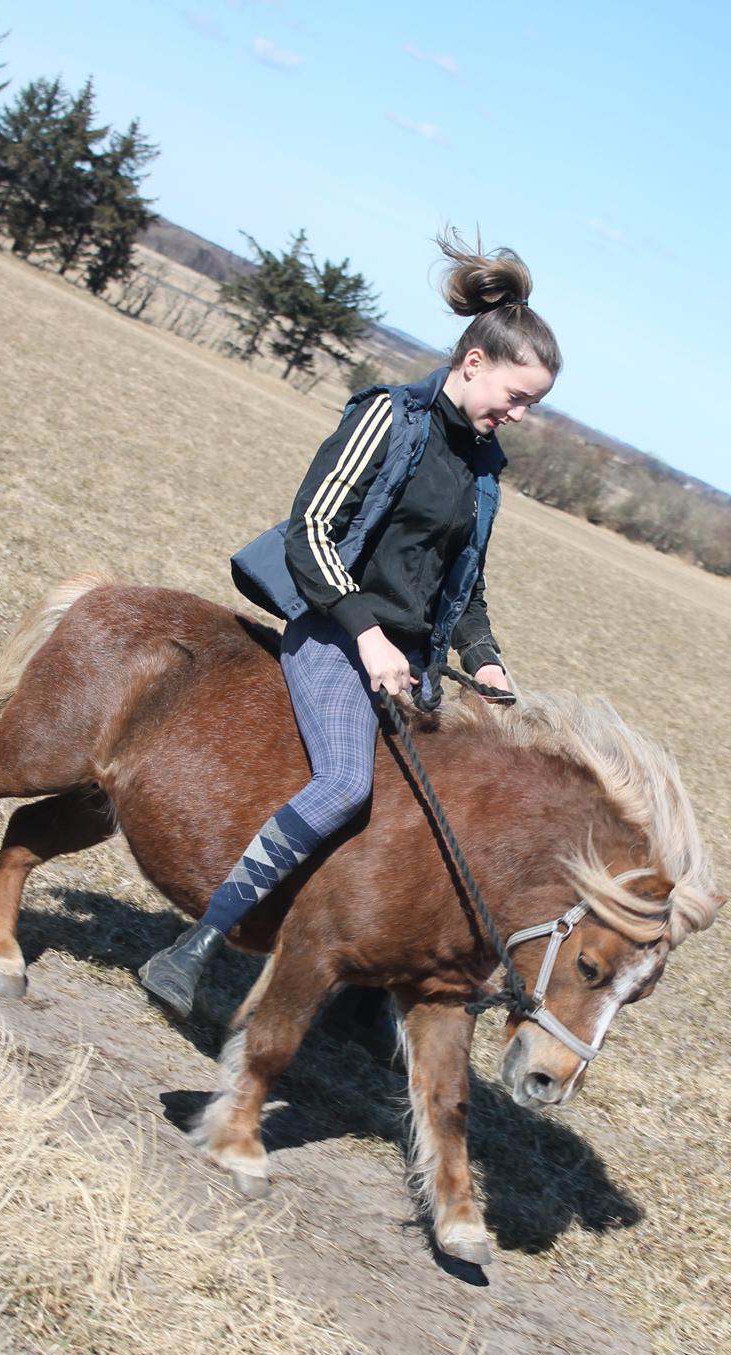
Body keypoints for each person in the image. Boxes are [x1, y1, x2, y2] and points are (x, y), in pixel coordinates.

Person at [139, 228, 561, 1019]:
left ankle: (370, 999)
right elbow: (311, 531)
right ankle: (196, 943)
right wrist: (366, 635)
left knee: (442, 809)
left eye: (531, 404)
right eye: (516, 395)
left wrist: (486, 659)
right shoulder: (388, 417)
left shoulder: (482, 466)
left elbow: (463, 584)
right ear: (474, 364)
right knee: (342, 785)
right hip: (334, 633)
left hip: (410, 662)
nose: (519, 413)